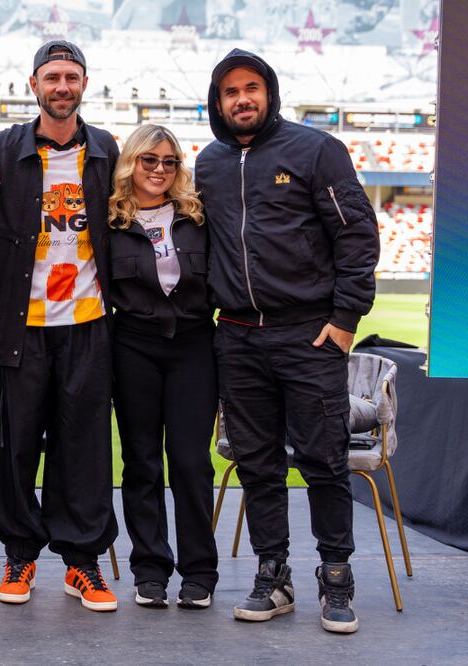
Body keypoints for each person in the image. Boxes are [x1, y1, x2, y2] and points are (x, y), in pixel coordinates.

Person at [195, 49, 380, 634]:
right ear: (217, 102)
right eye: (230, 92)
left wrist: (346, 317)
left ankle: (336, 576)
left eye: (251, 87)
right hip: (239, 337)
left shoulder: (317, 150)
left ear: (269, 93)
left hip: (308, 335)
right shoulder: (209, 163)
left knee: (325, 461)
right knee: (257, 466)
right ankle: (273, 575)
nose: (242, 99)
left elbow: (357, 236)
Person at [0, 40, 120, 612]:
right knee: (13, 448)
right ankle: (20, 552)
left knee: (83, 447)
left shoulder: (108, 149)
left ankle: (81, 561)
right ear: (33, 84)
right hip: (22, 324)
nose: (62, 86)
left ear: (84, 83)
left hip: (88, 321)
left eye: (71, 76)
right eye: (51, 76)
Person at [107, 124, 219, 610]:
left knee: (192, 464)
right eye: (148, 160)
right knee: (142, 462)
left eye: (169, 161)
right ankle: (149, 569)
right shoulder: (109, 220)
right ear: (131, 162)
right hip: (132, 345)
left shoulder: (197, 216)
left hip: (195, 346)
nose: (158, 169)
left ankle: (200, 572)